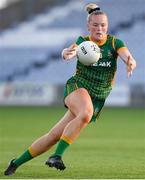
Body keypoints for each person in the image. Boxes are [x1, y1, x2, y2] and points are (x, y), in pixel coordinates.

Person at [4, 2, 136, 176]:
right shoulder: (83, 42)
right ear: (88, 26)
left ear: (107, 26)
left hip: (98, 95)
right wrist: (66, 52)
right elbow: (71, 51)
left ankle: (15, 163)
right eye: (95, 25)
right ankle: (57, 156)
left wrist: (130, 61)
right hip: (78, 87)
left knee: (53, 136)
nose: (99, 28)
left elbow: (126, 54)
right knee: (86, 113)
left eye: (103, 25)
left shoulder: (114, 43)